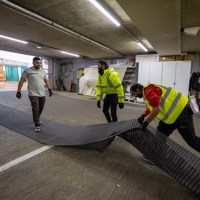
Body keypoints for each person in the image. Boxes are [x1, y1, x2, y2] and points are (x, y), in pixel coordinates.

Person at [130, 83, 200, 152]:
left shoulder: (148, 91)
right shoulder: (148, 91)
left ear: (137, 89)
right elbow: (153, 105)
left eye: (134, 94)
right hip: (171, 116)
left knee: (192, 141)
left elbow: (157, 109)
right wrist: (143, 115)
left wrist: (145, 123)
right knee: (160, 135)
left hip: (181, 112)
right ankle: (156, 156)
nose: (135, 96)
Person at [16, 57, 53, 132]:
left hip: (42, 93)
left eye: (40, 63)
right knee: (35, 108)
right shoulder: (28, 71)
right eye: (37, 63)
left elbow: (46, 80)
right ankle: (37, 124)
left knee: (41, 108)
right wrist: (18, 91)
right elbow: (22, 81)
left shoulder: (42, 71)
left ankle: (37, 119)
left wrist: (49, 89)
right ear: (33, 63)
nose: (39, 64)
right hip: (33, 93)